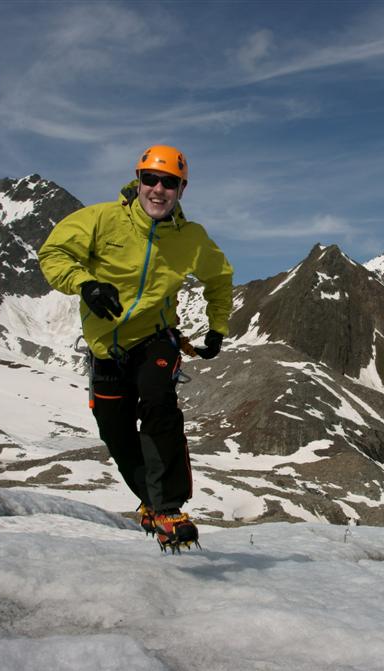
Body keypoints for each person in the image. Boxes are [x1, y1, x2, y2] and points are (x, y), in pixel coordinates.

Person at [38, 145, 233, 552]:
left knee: (158, 400)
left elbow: (219, 277)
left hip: (155, 337)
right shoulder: (101, 219)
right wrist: (85, 284)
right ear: (138, 180)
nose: (159, 189)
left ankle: (168, 506)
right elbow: (53, 253)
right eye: (151, 179)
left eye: (170, 183)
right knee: (115, 432)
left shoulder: (191, 238)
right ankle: (151, 502)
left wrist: (217, 327)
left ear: (182, 189)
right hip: (105, 349)